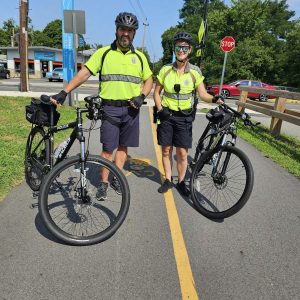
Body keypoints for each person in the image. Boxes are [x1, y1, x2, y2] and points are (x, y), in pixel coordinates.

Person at [50, 12, 153, 200]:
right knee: (108, 149)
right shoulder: (103, 53)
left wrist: (142, 95)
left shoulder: (140, 57)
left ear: (134, 33)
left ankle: (117, 177)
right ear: (116, 30)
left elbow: (149, 80)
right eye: (123, 29)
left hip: (132, 110)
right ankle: (104, 183)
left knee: (123, 147)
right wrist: (65, 91)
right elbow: (84, 74)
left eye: (130, 31)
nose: (126, 34)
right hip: (110, 110)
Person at [153, 32, 224, 197]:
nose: (181, 50)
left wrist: (214, 98)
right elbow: (156, 92)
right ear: (175, 49)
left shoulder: (195, 72)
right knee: (166, 151)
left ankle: (181, 182)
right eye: (178, 47)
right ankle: (168, 180)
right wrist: (160, 109)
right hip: (167, 116)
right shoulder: (165, 70)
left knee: (182, 153)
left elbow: (203, 94)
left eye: (184, 47)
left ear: (190, 50)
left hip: (184, 117)